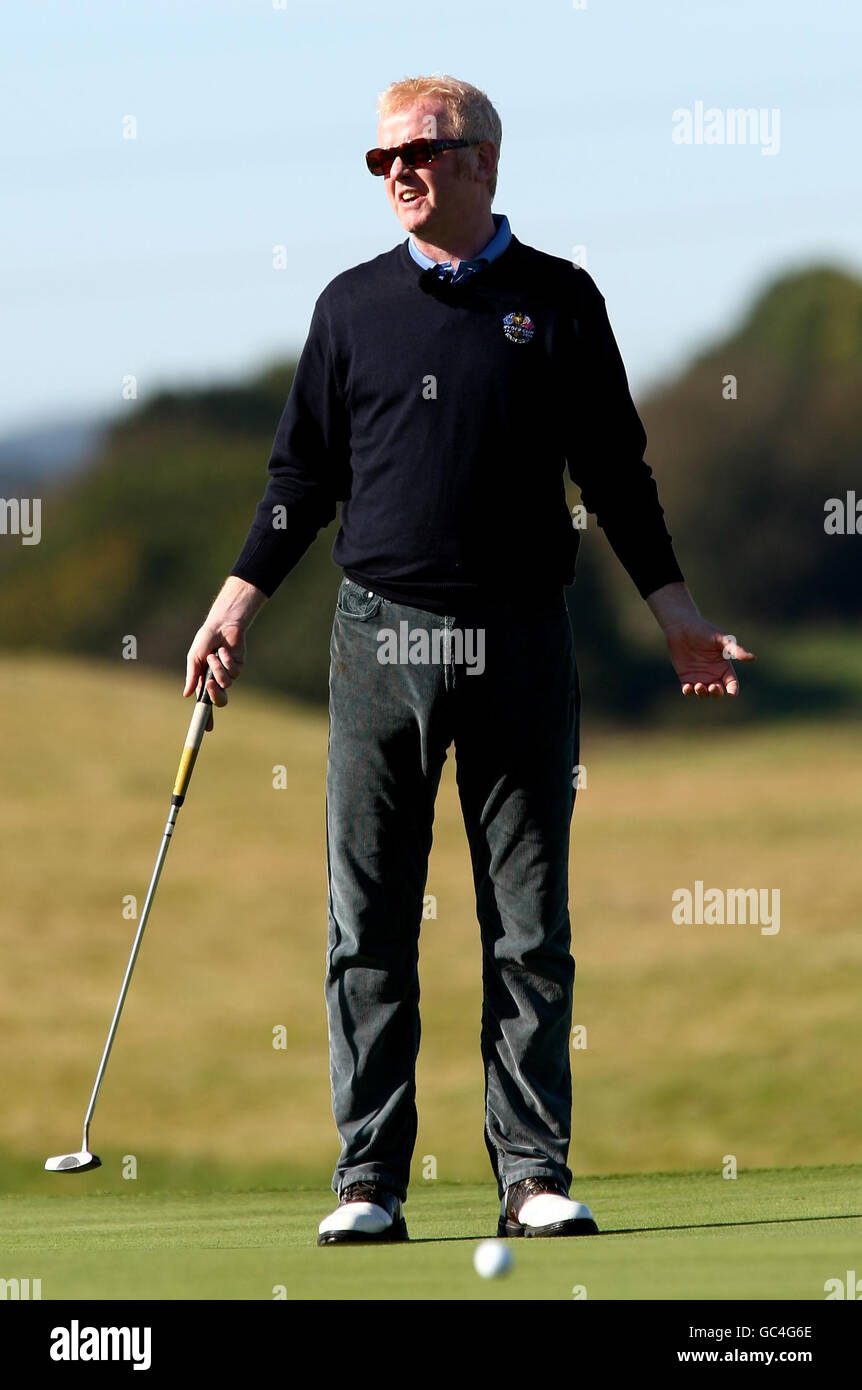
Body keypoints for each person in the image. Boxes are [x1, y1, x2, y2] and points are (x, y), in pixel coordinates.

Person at [184, 74, 754, 1245]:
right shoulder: (349, 308)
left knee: (529, 921)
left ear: (485, 161)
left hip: (519, 638)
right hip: (377, 638)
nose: (399, 171)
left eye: (423, 152)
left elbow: (617, 476)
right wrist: (237, 597)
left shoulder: (557, 300)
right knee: (368, 924)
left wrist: (677, 614)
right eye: (381, 157)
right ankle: (368, 1183)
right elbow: (301, 481)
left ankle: (532, 1173)